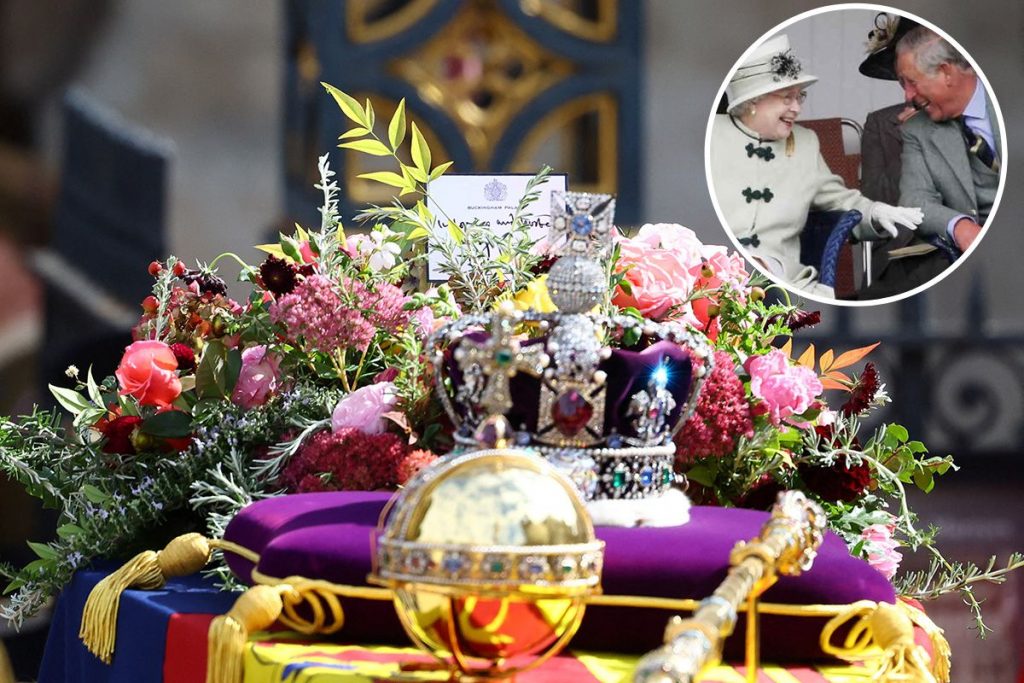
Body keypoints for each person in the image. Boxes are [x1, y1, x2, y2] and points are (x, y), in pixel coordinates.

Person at [709, 35, 922, 299]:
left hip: (781, 282)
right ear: (753, 100)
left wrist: (875, 212)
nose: (797, 108)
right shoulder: (710, 136)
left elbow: (839, 201)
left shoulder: (805, 142)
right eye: (787, 97)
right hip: (709, 276)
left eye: (800, 96)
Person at [895, 26, 999, 255]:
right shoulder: (916, 130)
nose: (908, 96)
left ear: (946, 72)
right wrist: (959, 226)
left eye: (911, 82)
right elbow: (914, 199)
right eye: (903, 85)